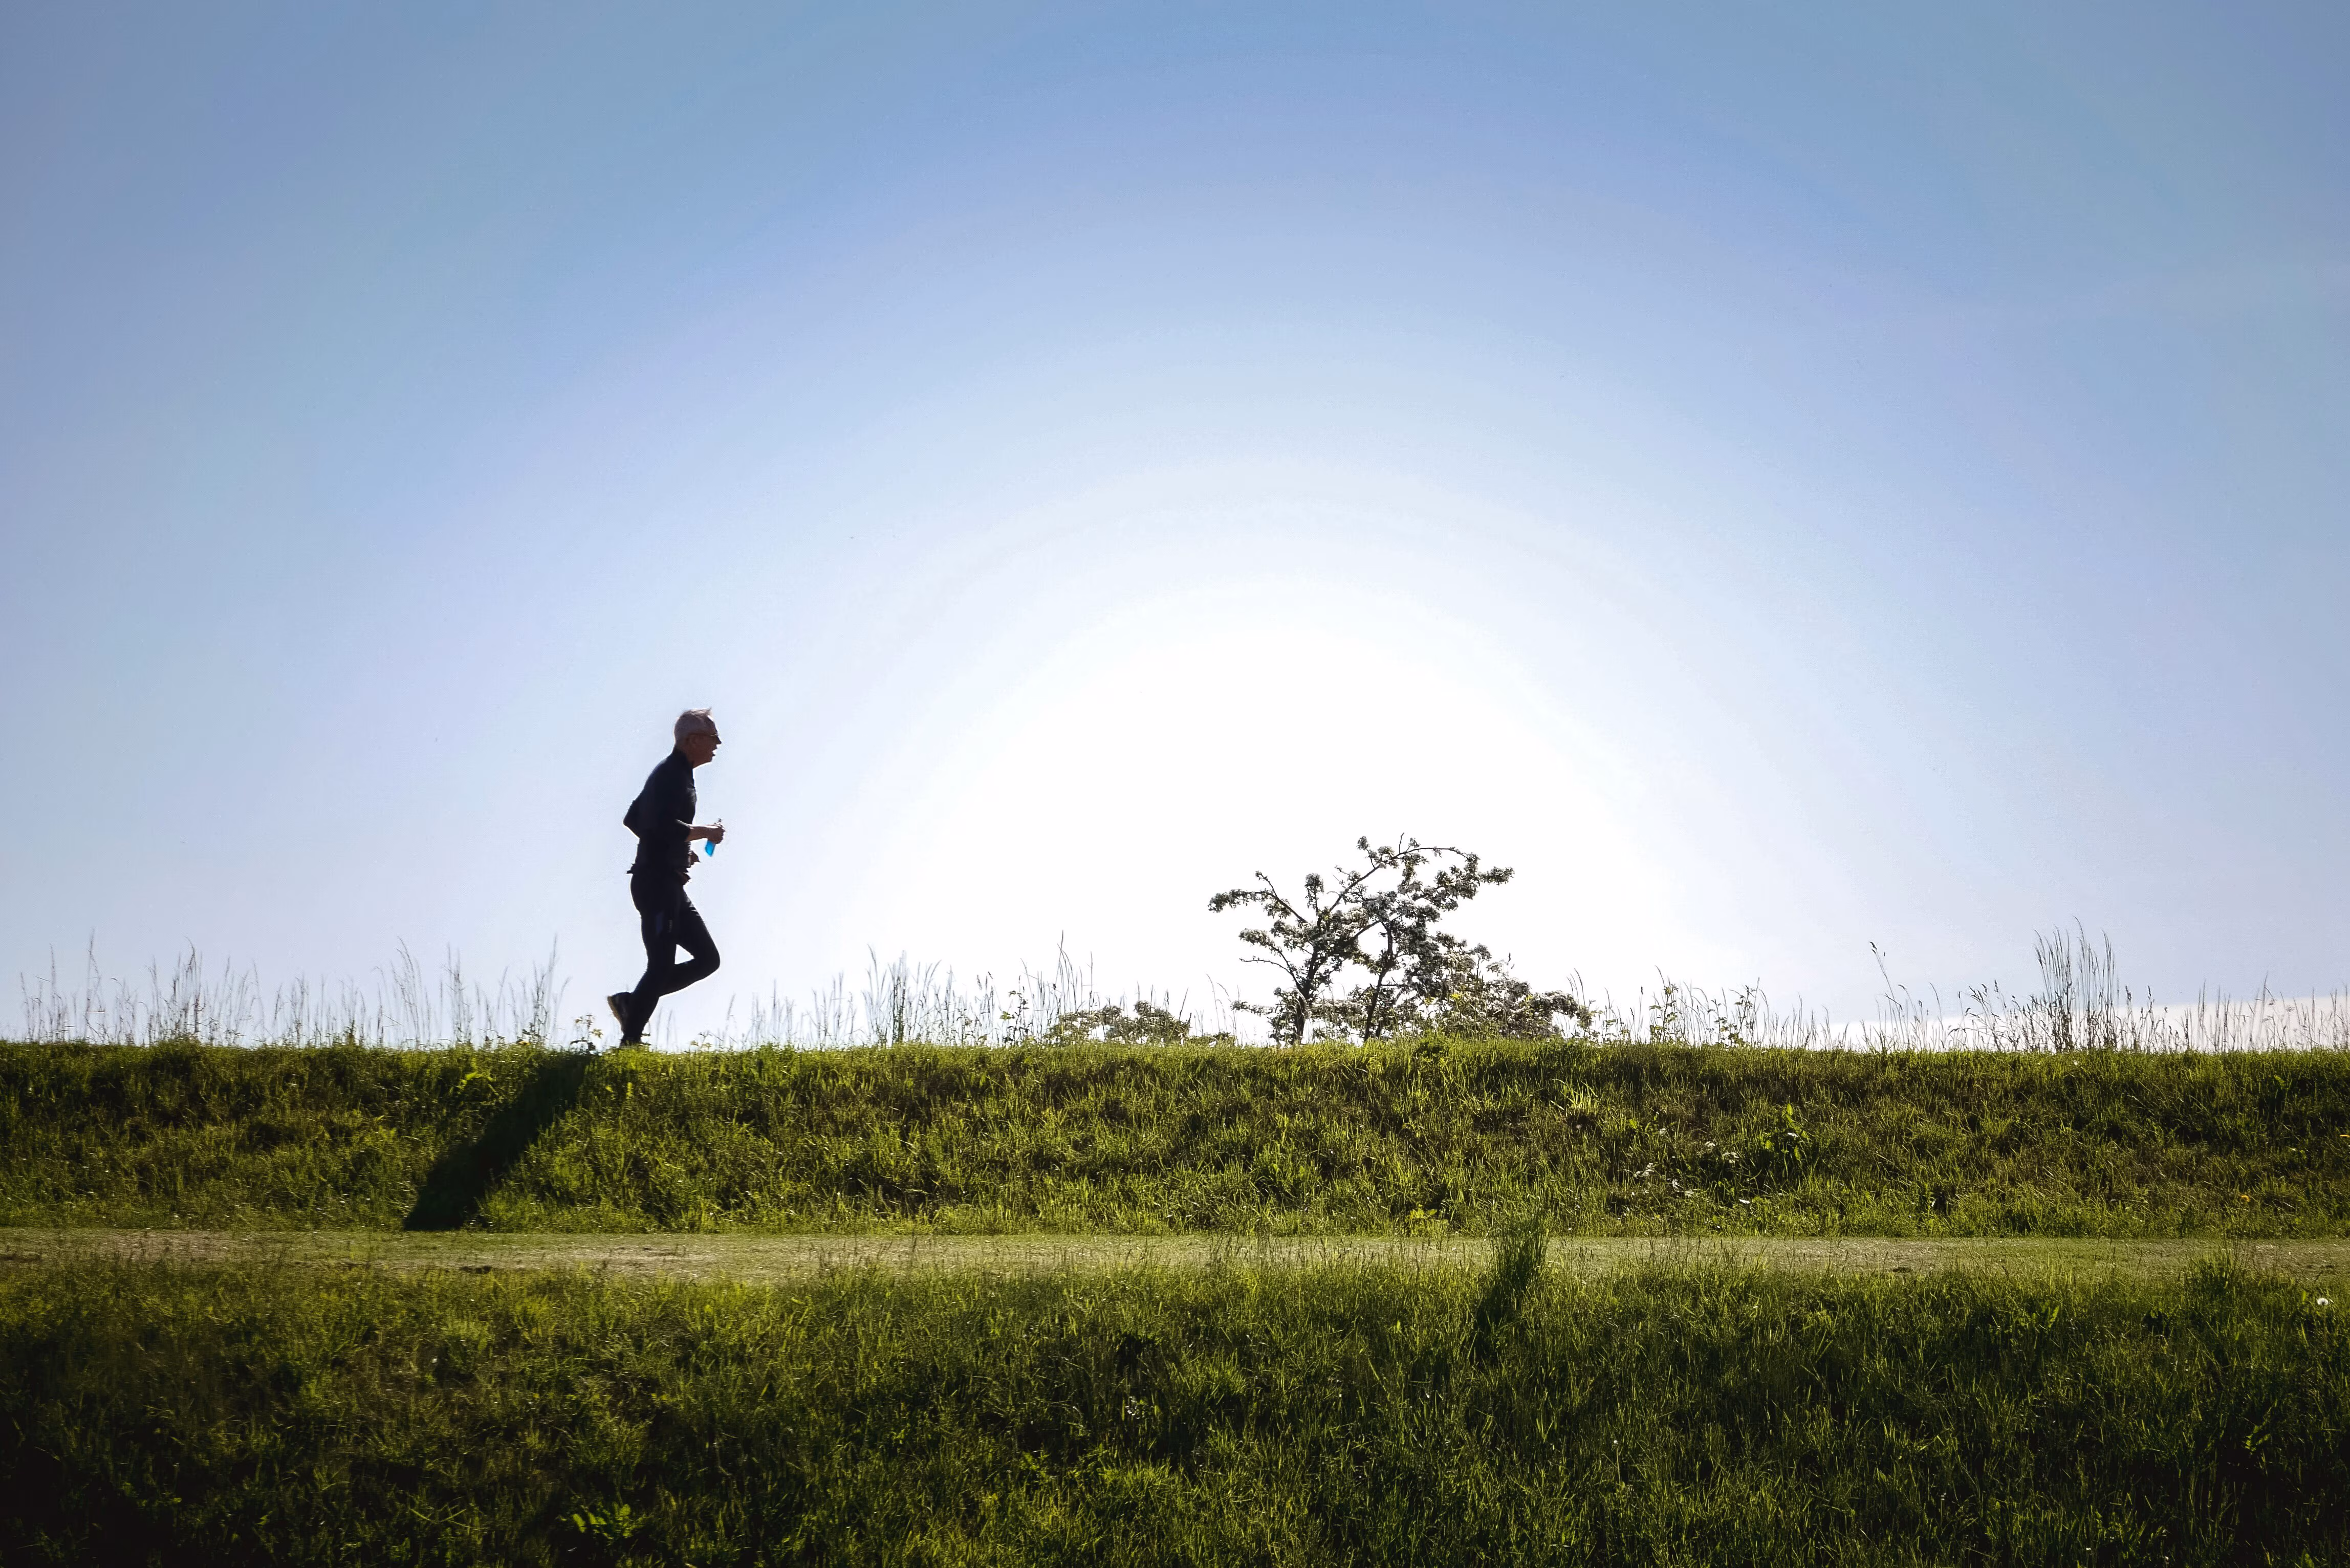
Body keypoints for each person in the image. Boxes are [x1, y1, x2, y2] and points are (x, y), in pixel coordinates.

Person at [607, 709, 727, 1046]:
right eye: (713, 737)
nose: (718, 744)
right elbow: (651, 824)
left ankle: (631, 1003)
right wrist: (703, 834)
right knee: (661, 965)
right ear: (692, 741)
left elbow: (637, 820)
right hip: (655, 883)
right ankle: (630, 1041)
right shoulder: (671, 775)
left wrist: (678, 851)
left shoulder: (678, 775)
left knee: (707, 959)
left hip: (668, 881)